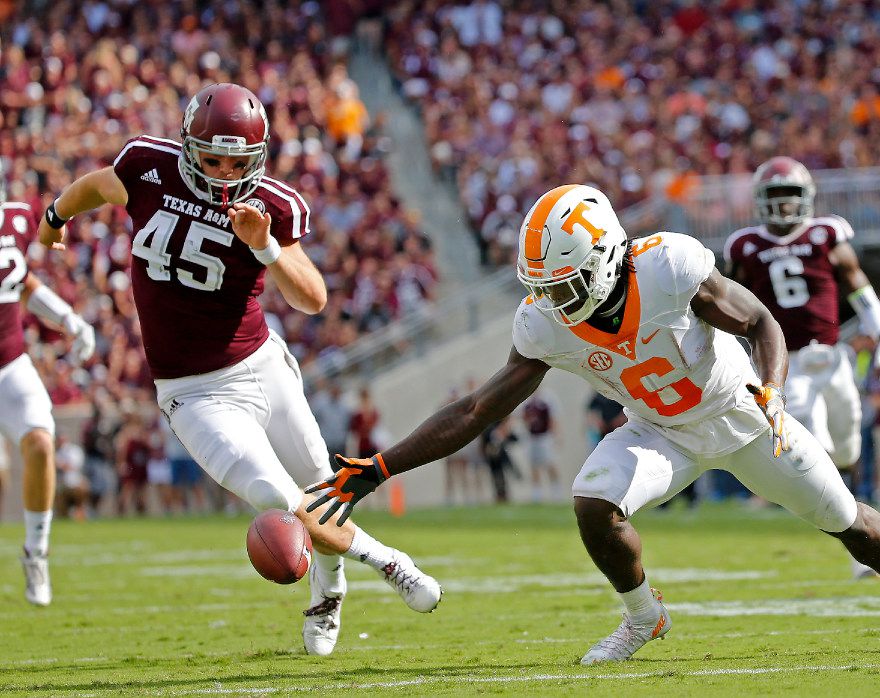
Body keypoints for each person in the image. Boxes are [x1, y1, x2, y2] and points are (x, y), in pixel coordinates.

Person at [306, 184, 880, 664]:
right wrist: (381, 467)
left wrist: (773, 389)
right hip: (660, 432)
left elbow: (758, 319)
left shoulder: (668, 267)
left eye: (564, 284)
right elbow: (477, 409)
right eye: (543, 288)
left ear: (608, 259)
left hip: (740, 414)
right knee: (593, 502)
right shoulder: (546, 324)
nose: (552, 301)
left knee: (846, 519)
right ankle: (644, 617)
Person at [37, 82, 440, 655]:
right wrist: (54, 216)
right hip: (192, 392)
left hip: (260, 367)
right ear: (187, 145)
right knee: (278, 495)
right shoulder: (148, 166)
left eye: (237, 160)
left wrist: (268, 248)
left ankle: (328, 593)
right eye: (212, 158)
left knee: (320, 488)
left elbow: (314, 298)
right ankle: (392, 561)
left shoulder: (274, 205)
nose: (225, 172)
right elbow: (99, 186)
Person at [724, 156, 880, 578]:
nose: (785, 206)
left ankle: (856, 525)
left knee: (846, 449)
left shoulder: (826, 234)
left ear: (806, 197)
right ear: (761, 200)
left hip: (834, 358)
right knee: (816, 443)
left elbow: (859, 288)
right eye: (777, 197)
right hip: (785, 363)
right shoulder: (744, 246)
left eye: (791, 196)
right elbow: (727, 303)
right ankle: (859, 550)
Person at [0, 164, 95, 605]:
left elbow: (20, 283)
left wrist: (65, 317)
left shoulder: (14, 219)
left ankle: (36, 552)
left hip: (10, 362)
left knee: (40, 442)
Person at [521, 391, 559, 502]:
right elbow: (523, 418)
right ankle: (537, 493)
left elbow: (553, 419)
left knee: (550, 463)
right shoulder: (526, 402)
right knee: (534, 465)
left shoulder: (547, 399)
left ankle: (556, 490)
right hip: (532, 437)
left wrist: (555, 435)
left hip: (545, 436)